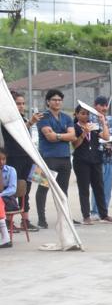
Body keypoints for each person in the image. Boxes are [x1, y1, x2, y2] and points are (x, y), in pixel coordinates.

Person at [34, 89, 76, 228]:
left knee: (63, 190)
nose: (57, 102)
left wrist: (57, 135)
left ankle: (64, 218)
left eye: (59, 100)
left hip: (64, 158)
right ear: (48, 101)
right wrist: (63, 135)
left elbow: (73, 136)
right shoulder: (42, 116)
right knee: (42, 188)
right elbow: (49, 137)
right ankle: (41, 219)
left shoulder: (67, 117)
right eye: (54, 99)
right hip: (46, 158)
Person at [1, 91, 43, 230]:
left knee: (27, 188)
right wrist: (31, 122)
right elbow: (18, 133)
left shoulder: (24, 119)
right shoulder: (7, 119)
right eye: (18, 103)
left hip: (28, 158)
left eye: (23, 103)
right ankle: (8, 220)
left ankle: (25, 221)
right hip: (14, 157)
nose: (21, 106)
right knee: (13, 188)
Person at [70, 105, 112, 225]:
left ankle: (103, 214)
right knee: (84, 189)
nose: (86, 116)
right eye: (83, 113)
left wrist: (103, 123)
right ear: (76, 115)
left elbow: (106, 137)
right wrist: (84, 133)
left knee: (99, 187)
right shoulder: (74, 127)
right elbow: (75, 145)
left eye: (87, 114)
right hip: (81, 161)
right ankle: (86, 216)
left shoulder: (93, 126)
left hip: (95, 160)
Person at [90, 96, 112, 220]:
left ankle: (104, 211)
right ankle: (94, 211)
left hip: (111, 158)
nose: (105, 107)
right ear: (95, 105)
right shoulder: (90, 119)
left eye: (106, 105)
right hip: (97, 158)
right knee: (97, 185)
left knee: (107, 187)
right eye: (101, 105)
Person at [0, 148, 15, 248]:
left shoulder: (11, 170)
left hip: (8, 199)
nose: (1, 162)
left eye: (3, 159)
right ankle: (6, 238)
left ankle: (5, 237)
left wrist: (0, 194)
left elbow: (12, 189)